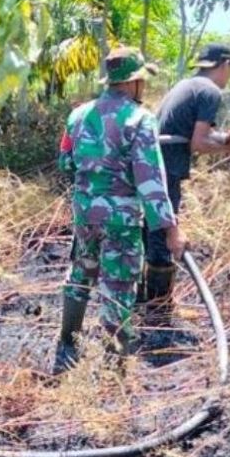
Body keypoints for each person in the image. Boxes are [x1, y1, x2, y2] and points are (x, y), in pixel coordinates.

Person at [54, 47, 185, 374]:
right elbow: (151, 180)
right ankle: (114, 369)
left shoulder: (77, 116)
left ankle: (67, 347)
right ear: (133, 82)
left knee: (81, 274)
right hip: (121, 221)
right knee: (118, 285)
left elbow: (64, 162)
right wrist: (170, 230)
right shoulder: (140, 120)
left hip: (86, 214)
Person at [141, 43, 230, 344]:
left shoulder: (187, 84)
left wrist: (227, 140)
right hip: (167, 169)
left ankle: (141, 306)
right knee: (162, 235)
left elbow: (192, 133)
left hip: (150, 167)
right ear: (225, 64)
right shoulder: (211, 91)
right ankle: (158, 318)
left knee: (148, 230)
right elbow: (199, 142)